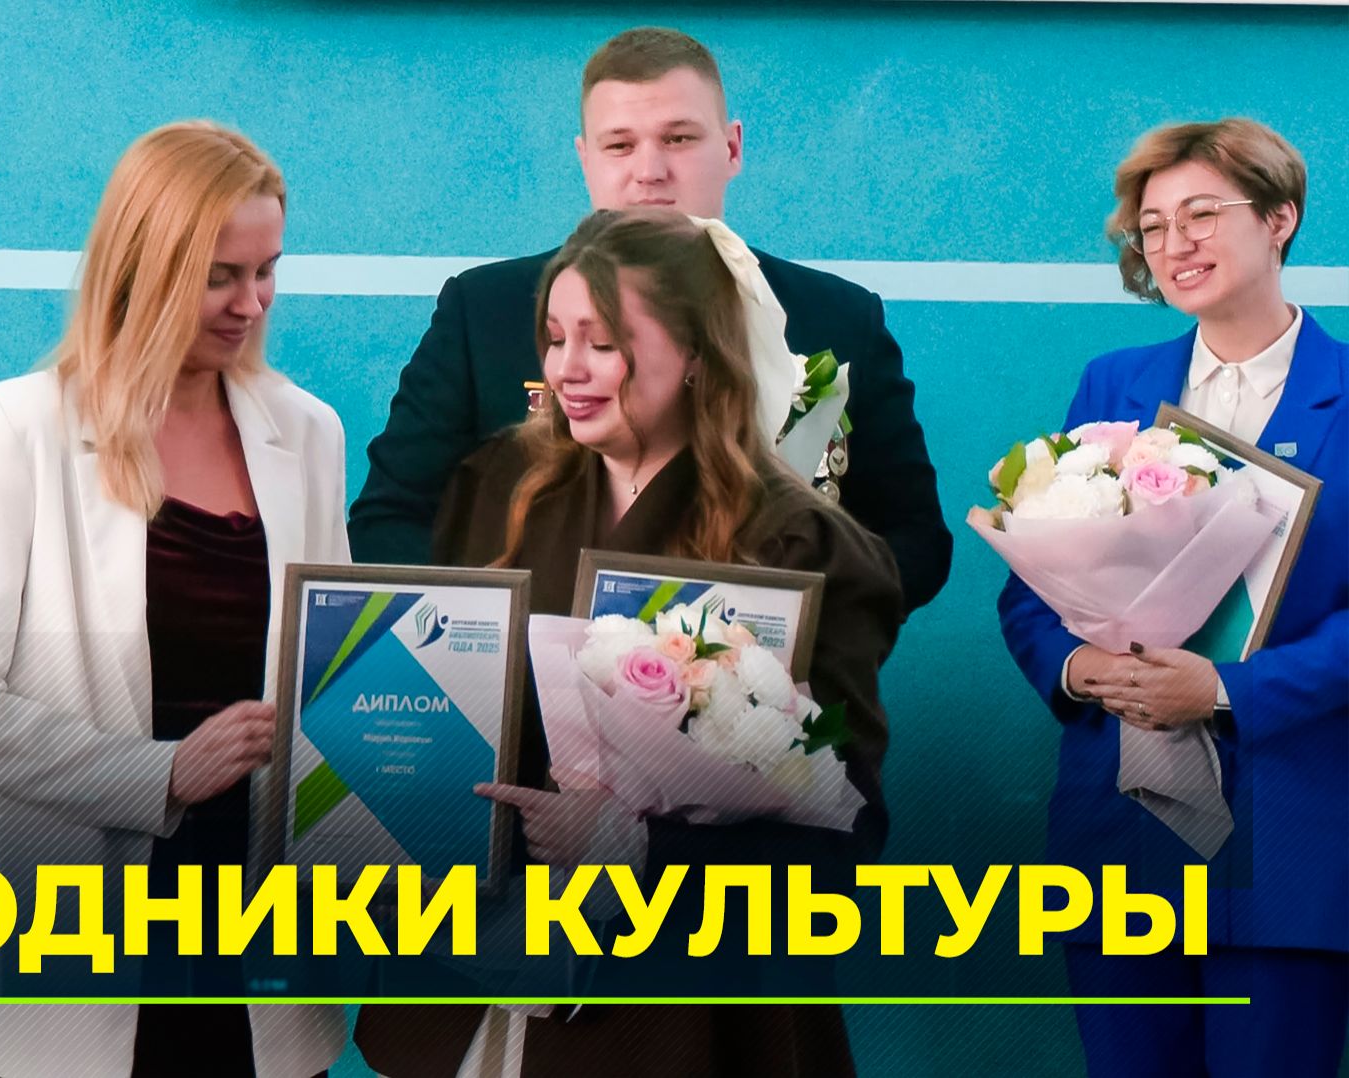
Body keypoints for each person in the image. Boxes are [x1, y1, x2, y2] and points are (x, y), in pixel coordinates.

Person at [357, 208, 904, 1076]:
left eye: (603, 342)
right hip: (478, 990)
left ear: (697, 353)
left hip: (683, 1018)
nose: (565, 369)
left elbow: (847, 831)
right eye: (554, 338)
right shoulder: (494, 487)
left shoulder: (803, 545)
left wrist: (634, 848)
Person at [0, 121, 347, 1078]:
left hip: (259, 937)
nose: (253, 302)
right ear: (142, 266)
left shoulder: (309, 432)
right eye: (221, 276)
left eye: (268, 270)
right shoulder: (19, 426)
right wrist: (160, 775)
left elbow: (331, 688)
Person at [348, 25, 951, 617]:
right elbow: (390, 519)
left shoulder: (837, 318)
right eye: (620, 145)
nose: (650, 171)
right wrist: (504, 630)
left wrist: (780, 622)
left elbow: (915, 539)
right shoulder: (485, 309)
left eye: (679, 138)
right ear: (585, 159)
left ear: (732, 148)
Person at [997, 118, 1348, 1076]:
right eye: (1152, 227)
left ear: (1280, 218)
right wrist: (1080, 667)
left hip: (1291, 831)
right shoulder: (1114, 384)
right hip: (1122, 823)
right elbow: (1031, 591)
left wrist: (1227, 691)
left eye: (1201, 214)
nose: (1173, 243)